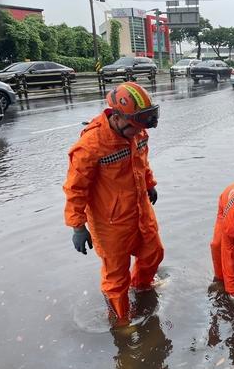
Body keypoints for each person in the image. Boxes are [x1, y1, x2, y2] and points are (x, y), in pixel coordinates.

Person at [63, 82, 164, 326]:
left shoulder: (137, 130)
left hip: (140, 210)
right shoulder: (91, 146)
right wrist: (78, 226)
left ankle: (141, 288)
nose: (138, 133)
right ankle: (121, 321)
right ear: (117, 117)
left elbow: (142, 160)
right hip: (110, 222)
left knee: (153, 253)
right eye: (134, 128)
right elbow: (76, 188)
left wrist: (149, 183)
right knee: (116, 277)